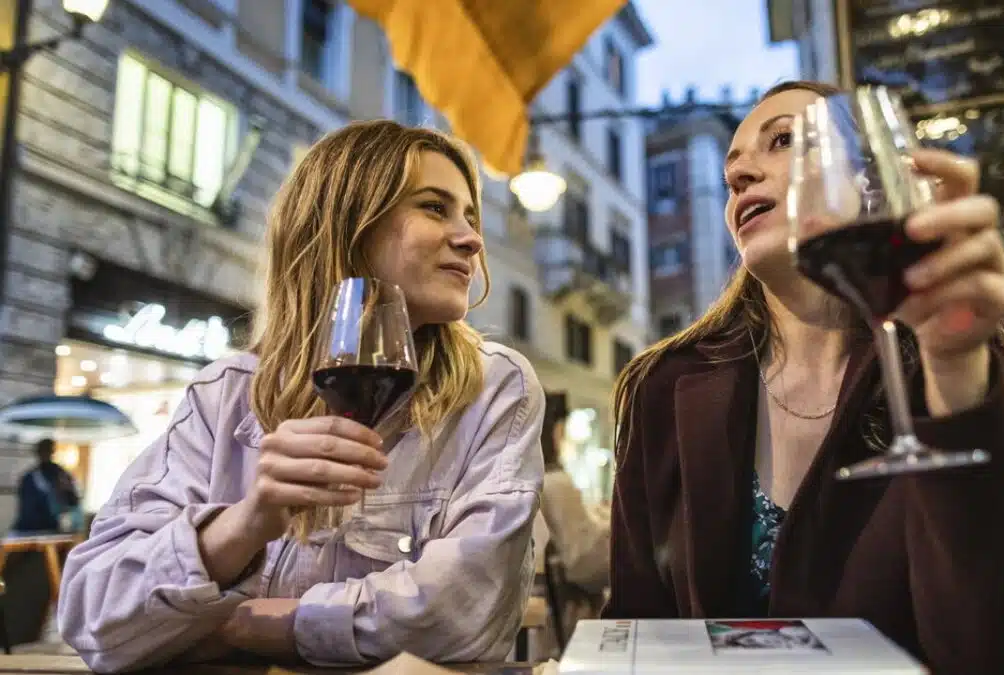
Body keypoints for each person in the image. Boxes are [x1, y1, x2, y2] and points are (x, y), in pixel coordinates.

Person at [604, 81, 1004, 675]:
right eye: (732, 170)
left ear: (868, 180)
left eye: (783, 140)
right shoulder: (662, 386)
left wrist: (956, 371)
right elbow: (633, 629)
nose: (740, 176)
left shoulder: (995, 347)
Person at [57, 122, 546, 672]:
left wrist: (252, 624)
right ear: (345, 224)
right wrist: (248, 523)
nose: (471, 239)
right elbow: (91, 615)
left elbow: (463, 615)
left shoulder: (493, 388)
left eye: (470, 216)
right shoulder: (225, 395)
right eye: (435, 207)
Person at [535, 393, 609, 652]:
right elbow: (587, 564)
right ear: (554, 430)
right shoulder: (556, 484)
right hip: (562, 634)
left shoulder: (528, 482)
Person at [12, 438, 83, 534]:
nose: (45, 454)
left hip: (52, 530)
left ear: (52, 452)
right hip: (29, 529)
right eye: (42, 451)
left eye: (48, 451)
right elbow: (26, 509)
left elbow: (74, 500)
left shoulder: (61, 475)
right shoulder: (29, 478)